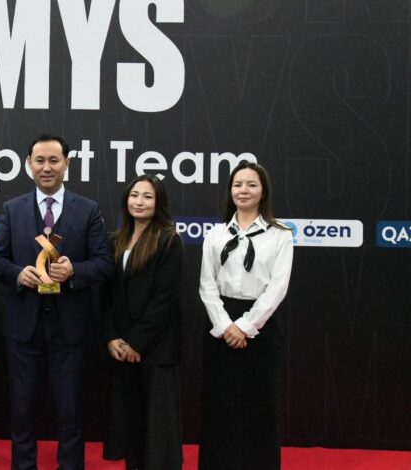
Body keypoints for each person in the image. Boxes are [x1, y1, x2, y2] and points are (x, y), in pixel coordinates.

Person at [0, 134, 114, 470]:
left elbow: (104, 263)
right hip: (23, 328)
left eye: (54, 160)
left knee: (71, 410)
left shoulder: (87, 210)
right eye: (40, 160)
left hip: (70, 328)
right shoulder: (12, 209)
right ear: (29, 164)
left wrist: (75, 271)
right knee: (22, 411)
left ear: (67, 164)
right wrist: (18, 274)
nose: (47, 167)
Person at [198, 161, 294, 470]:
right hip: (220, 327)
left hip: (260, 327)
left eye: (251, 184)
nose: (244, 190)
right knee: (220, 405)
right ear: (230, 191)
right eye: (238, 184)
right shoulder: (215, 234)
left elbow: (277, 287)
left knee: (260, 405)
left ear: (263, 191)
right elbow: (206, 285)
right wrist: (225, 325)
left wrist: (246, 326)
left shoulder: (280, 235)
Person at [101, 175, 184, 470]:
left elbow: (165, 299)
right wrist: (112, 337)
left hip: (155, 349)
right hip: (121, 348)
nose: (139, 201)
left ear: (159, 202)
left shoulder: (169, 240)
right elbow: (106, 295)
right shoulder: (114, 240)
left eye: (147, 196)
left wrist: (137, 343)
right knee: (130, 423)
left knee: (158, 430)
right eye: (134, 195)